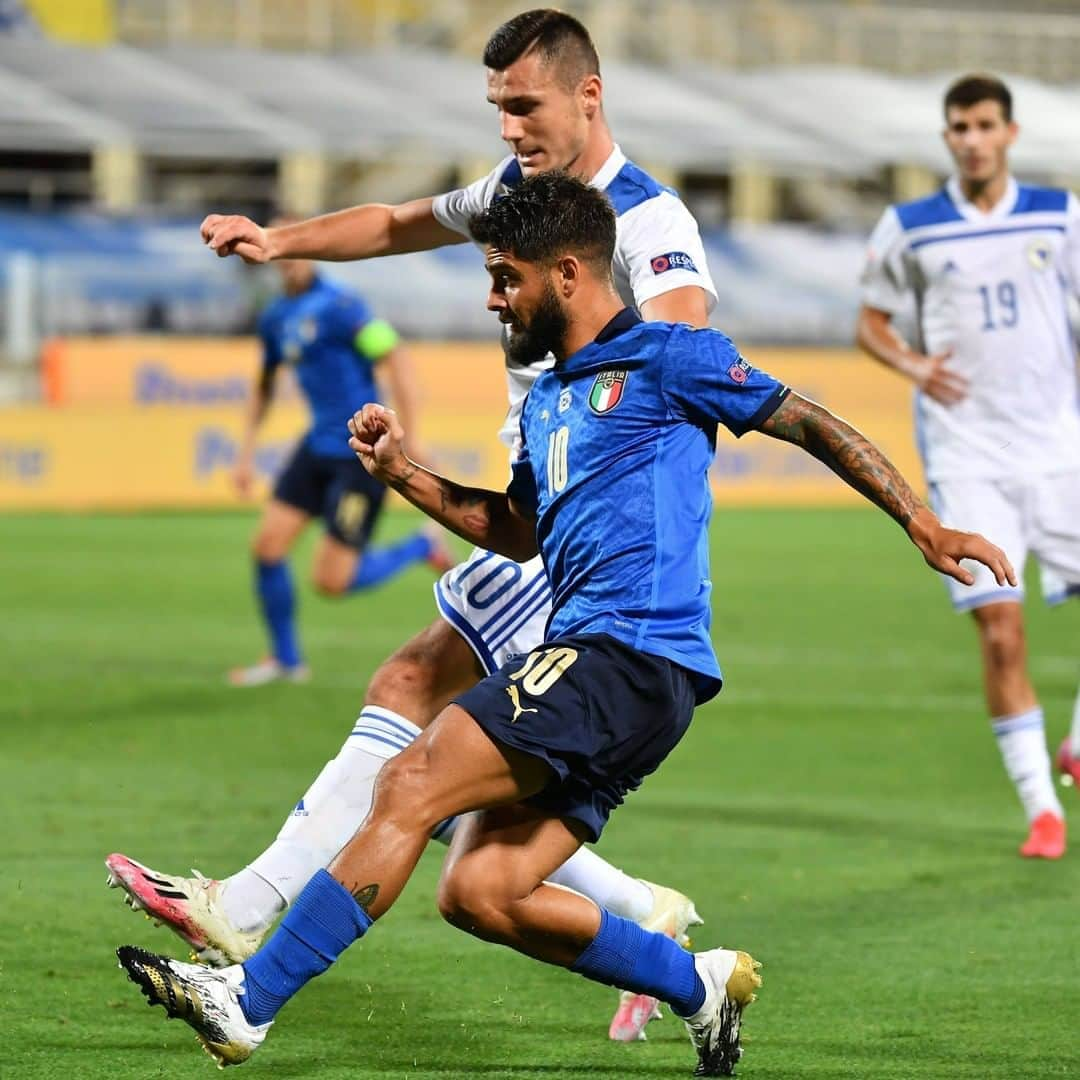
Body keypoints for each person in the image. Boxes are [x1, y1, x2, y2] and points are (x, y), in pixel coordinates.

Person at [115, 172, 1016, 1077]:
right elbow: (514, 528)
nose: (493, 297)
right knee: (480, 891)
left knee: (411, 777)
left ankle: (246, 1001)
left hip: (628, 654)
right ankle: (696, 983)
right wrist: (404, 473)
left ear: (571, 273)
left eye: (507, 278)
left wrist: (922, 522)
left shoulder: (671, 357)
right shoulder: (548, 398)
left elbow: (812, 424)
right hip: (607, 670)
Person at [107, 9, 717, 1043]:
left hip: (580, 527)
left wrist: (601, 430)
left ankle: (245, 917)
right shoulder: (515, 196)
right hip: (537, 506)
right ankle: (638, 915)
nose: (511, 126)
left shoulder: (648, 223)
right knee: (445, 766)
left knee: (416, 719)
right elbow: (398, 223)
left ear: (588, 94)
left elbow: (687, 333)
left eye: (525, 105)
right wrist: (278, 241)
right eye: (497, 108)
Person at [856, 73, 1080, 859]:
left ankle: (1076, 744)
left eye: (986, 125)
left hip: (1060, 448)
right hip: (968, 455)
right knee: (1001, 632)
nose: (973, 139)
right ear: (947, 137)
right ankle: (1040, 811)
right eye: (959, 127)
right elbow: (871, 323)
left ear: (1010, 133)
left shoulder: (1060, 216)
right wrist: (913, 366)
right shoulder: (911, 226)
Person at [227, 229, 451, 687]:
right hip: (316, 447)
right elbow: (264, 387)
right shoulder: (275, 318)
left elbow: (393, 355)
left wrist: (412, 432)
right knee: (267, 547)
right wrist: (245, 452)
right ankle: (287, 661)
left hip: (358, 453)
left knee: (332, 581)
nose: (289, 261)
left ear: (307, 252)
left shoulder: (342, 306)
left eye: (296, 250)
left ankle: (420, 547)